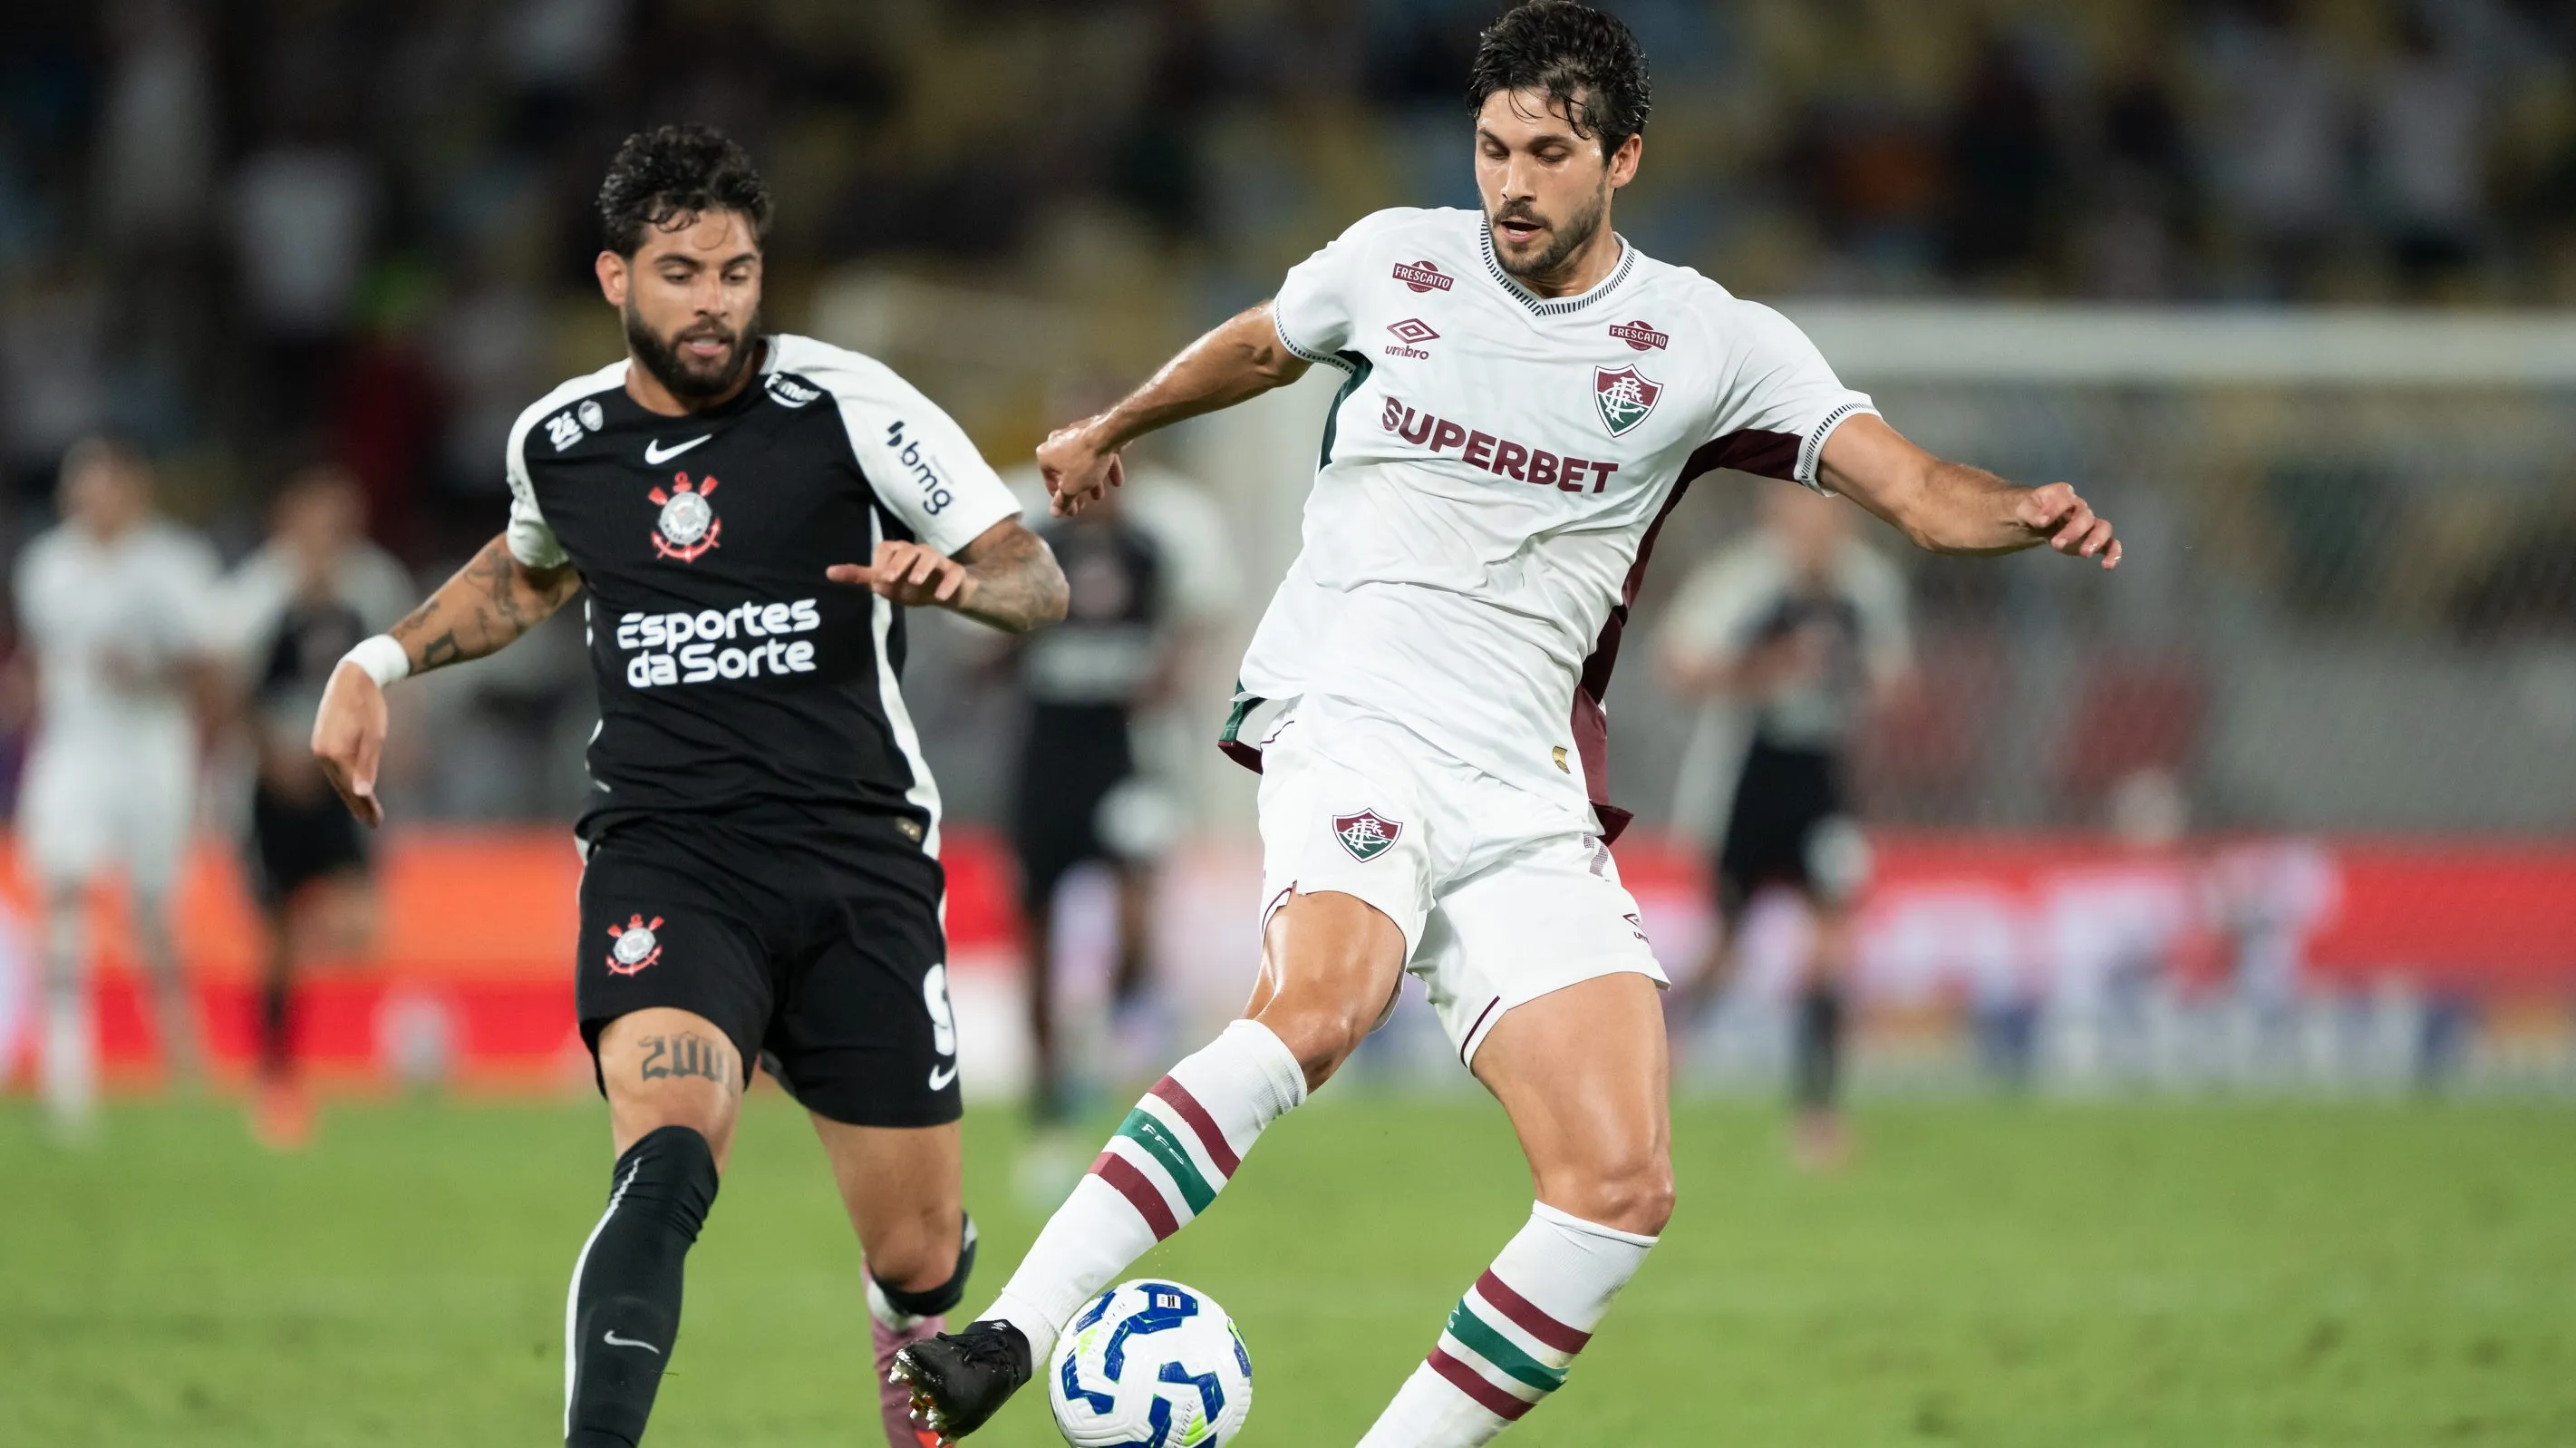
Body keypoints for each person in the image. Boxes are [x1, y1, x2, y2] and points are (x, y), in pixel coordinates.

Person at [892, 5, 2121, 1444]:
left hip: (1522, 782)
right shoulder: (1392, 261)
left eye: (1548, 154)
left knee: (1618, 1182)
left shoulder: (1708, 342)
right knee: (1319, 1007)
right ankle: (1008, 1335)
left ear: (1623, 159)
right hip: (1352, 712)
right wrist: (1117, 426)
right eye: (1492, 149)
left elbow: (1910, 489)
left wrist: (2018, 510)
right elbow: (1263, 346)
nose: (1511, 184)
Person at [306, 125, 1067, 1448]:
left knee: (917, 1254)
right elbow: (526, 574)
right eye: (680, 273)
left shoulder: (848, 405)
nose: (713, 301)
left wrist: (959, 583)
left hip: (856, 856)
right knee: (666, 1162)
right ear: (615, 279)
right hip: (668, 856)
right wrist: (376, 661)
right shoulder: (563, 439)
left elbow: (1033, 578)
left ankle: (904, 1313)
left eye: (736, 272)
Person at [1656, 482, 1915, 1169]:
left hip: (1821, 777)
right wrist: (1768, 666)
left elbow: (1894, 679)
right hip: (1748, 773)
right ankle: (1656, 1053)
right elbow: (1679, 666)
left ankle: (1817, 1115)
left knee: (1832, 940)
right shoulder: (1744, 582)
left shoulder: (1867, 587)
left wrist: (1854, 674)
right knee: (1726, 945)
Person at [13, 434, 221, 1139]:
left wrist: (148, 670)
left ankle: (183, 1058)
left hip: (151, 748)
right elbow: (39, 659)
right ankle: (69, 1075)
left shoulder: (175, 565)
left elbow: (207, 666)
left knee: (153, 911)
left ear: (134, 489)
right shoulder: (46, 566)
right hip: (74, 747)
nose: (86, 501)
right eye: (78, 488)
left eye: (100, 487)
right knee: (61, 891)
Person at [218, 463, 412, 1149]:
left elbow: (405, 677)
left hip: (343, 786)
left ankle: (347, 1053)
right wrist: (268, 756)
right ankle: (276, 1076)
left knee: (361, 924)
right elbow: (227, 687)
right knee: (273, 938)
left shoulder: (376, 586)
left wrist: (390, 750)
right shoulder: (255, 595)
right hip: (270, 791)